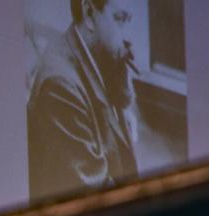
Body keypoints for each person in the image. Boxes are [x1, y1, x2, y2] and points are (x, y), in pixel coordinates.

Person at [26, 0, 138, 199]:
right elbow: (96, 197)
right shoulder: (59, 87)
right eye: (120, 19)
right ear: (89, 14)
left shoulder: (99, 54)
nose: (129, 37)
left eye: (129, 20)